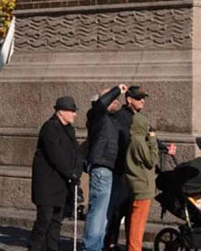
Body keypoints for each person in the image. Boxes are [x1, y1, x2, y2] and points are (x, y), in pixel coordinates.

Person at [104, 86, 175, 251]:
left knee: (132, 214)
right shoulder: (121, 117)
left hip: (134, 173)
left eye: (143, 97)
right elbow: (141, 144)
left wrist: (163, 148)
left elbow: (148, 139)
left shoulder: (139, 118)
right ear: (129, 99)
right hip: (124, 171)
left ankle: (130, 244)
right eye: (138, 98)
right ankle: (110, 243)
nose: (142, 100)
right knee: (117, 211)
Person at [29, 96, 81, 251]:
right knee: (44, 222)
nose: (74, 114)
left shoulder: (69, 129)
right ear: (61, 112)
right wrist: (71, 173)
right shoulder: (50, 128)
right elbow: (56, 155)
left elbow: (76, 152)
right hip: (47, 186)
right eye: (72, 111)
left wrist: (77, 169)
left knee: (56, 223)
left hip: (62, 186)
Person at [82, 84, 127, 251]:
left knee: (107, 213)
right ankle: (90, 247)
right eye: (112, 99)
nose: (116, 101)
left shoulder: (114, 120)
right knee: (98, 211)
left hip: (115, 169)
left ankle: (98, 245)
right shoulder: (96, 114)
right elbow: (102, 104)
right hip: (102, 167)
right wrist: (116, 90)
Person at [124, 112, 159, 251]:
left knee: (136, 222)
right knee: (137, 224)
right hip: (142, 186)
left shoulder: (134, 139)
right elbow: (151, 161)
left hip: (138, 184)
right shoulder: (138, 140)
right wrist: (153, 141)